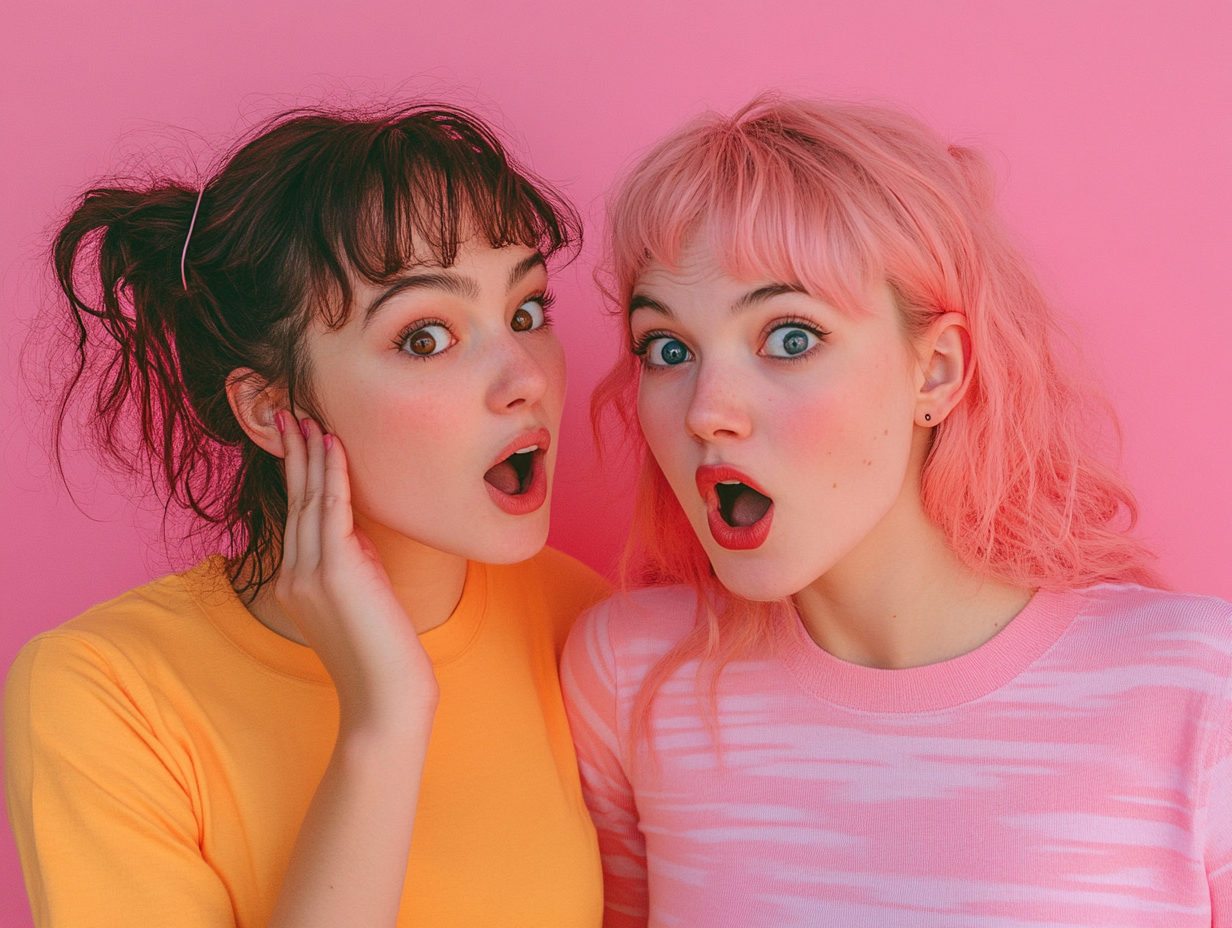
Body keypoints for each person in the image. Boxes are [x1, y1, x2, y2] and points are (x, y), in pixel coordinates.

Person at [563, 95, 1232, 927]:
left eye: (790, 337)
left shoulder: (1199, 688)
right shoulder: (630, 677)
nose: (706, 410)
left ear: (937, 371)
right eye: (668, 350)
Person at [5, 103, 607, 928]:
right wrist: (385, 718)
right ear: (268, 407)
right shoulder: (107, 695)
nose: (525, 376)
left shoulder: (585, 627)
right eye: (426, 337)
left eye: (527, 312)